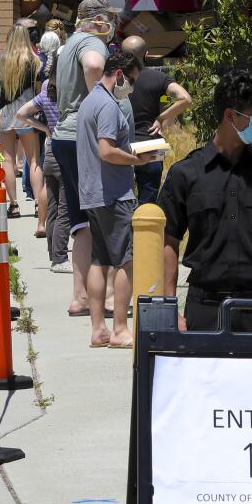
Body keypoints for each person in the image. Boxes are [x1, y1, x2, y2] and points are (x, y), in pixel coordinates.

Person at [157, 70, 252, 333]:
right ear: (231, 116)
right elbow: (168, 242)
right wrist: (168, 309)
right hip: (205, 308)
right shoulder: (185, 173)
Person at [76, 50, 157, 348]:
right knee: (126, 260)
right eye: (132, 80)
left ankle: (99, 329)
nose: (132, 87)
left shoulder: (89, 101)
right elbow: (107, 151)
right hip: (113, 193)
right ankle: (121, 328)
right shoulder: (109, 106)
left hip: (93, 193)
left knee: (100, 260)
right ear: (120, 74)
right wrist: (138, 159)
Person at [50, 0, 118, 317]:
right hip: (84, 136)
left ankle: (79, 296)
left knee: (82, 223)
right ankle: (103, 298)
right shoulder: (91, 41)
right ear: (99, 20)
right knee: (105, 219)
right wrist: (99, 97)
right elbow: (93, 65)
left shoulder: (68, 44)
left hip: (63, 134)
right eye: (109, 19)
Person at [16, 29, 69, 267]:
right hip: (68, 149)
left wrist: (45, 129)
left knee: (55, 203)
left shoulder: (47, 87)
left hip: (51, 146)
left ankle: (51, 249)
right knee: (67, 208)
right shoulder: (71, 91)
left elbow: (21, 113)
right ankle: (59, 256)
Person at [119, 35, 192, 204]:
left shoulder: (113, 79)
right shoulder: (158, 78)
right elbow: (185, 99)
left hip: (120, 146)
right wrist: (161, 118)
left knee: (121, 202)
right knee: (148, 202)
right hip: (151, 145)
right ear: (147, 54)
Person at [0, 24, 42, 219]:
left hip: (5, 113)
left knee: (8, 160)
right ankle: (39, 203)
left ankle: (13, 205)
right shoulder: (34, 61)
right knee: (34, 160)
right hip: (27, 114)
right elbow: (39, 91)